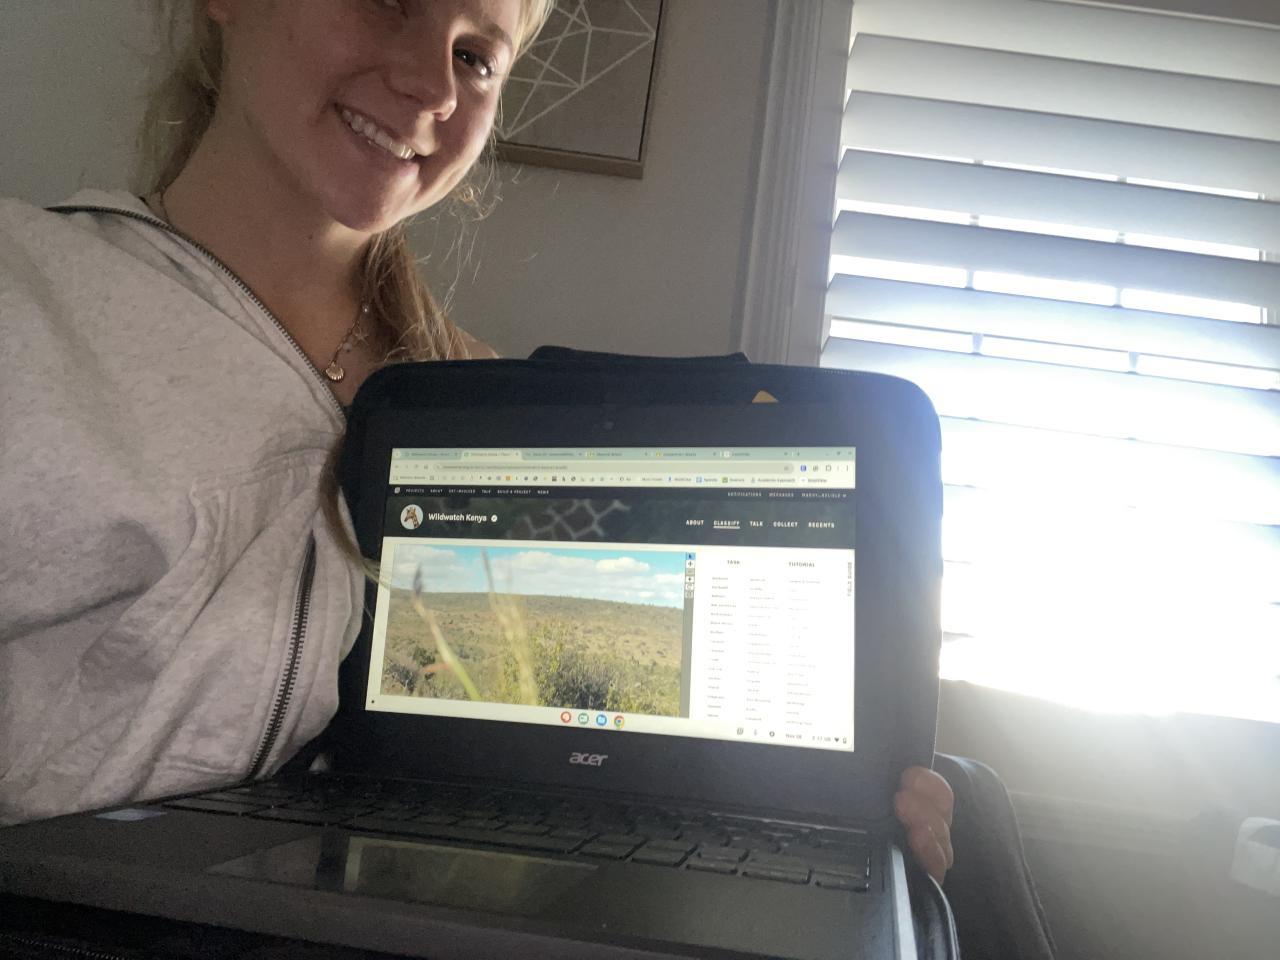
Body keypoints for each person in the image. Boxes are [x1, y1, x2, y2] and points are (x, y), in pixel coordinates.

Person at [0, 0, 954, 884]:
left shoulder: (475, 406)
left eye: (475, 57)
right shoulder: (28, 293)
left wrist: (811, 829)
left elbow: (520, 771)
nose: (433, 85)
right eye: (389, 1)